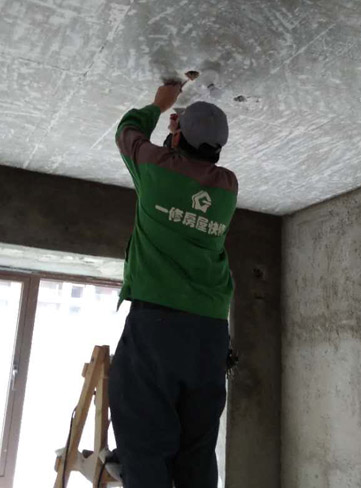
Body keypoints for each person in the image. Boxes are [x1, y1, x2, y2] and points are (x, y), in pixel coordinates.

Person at [108, 80, 238, 488]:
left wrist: (159, 104)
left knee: (145, 436)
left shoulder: (156, 167)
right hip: (210, 332)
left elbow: (127, 132)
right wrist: (180, 134)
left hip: (159, 324)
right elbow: (177, 162)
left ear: (178, 136)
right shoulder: (227, 186)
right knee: (197, 447)